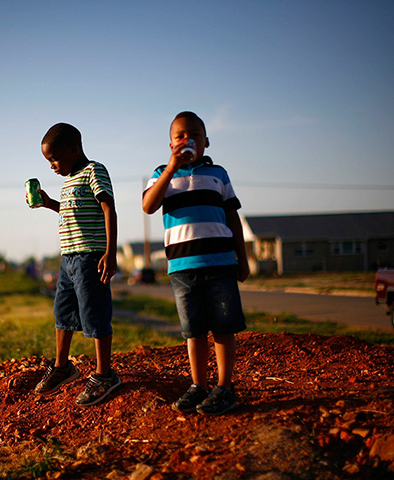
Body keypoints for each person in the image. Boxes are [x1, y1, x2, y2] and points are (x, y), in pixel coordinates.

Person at [142, 111, 250, 415]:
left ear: (206, 141)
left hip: (220, 264)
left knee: (223, 327)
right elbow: (148, 206)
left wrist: (242, 259)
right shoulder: (162, 173)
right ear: (171, 144)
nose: (187, 139)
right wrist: (171, 168)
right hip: (182, 267)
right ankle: (199, 385)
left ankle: (225, 387)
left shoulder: (218, 174)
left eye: (194, 135)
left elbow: (232, 217)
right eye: (180, 136)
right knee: (194, 331)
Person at [30, 122, 121, 406]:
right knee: (63, 312)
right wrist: (49, 204)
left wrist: (110, 252)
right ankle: (62, 367)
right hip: (68, 259)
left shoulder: (94, 171)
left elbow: (108, 208)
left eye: (54, 158)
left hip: (90, 257)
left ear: (74, 149)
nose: (52, 166)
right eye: (48, 161)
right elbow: (72, 211)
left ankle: (105, 374)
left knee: (94, 314)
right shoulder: (69, 180)